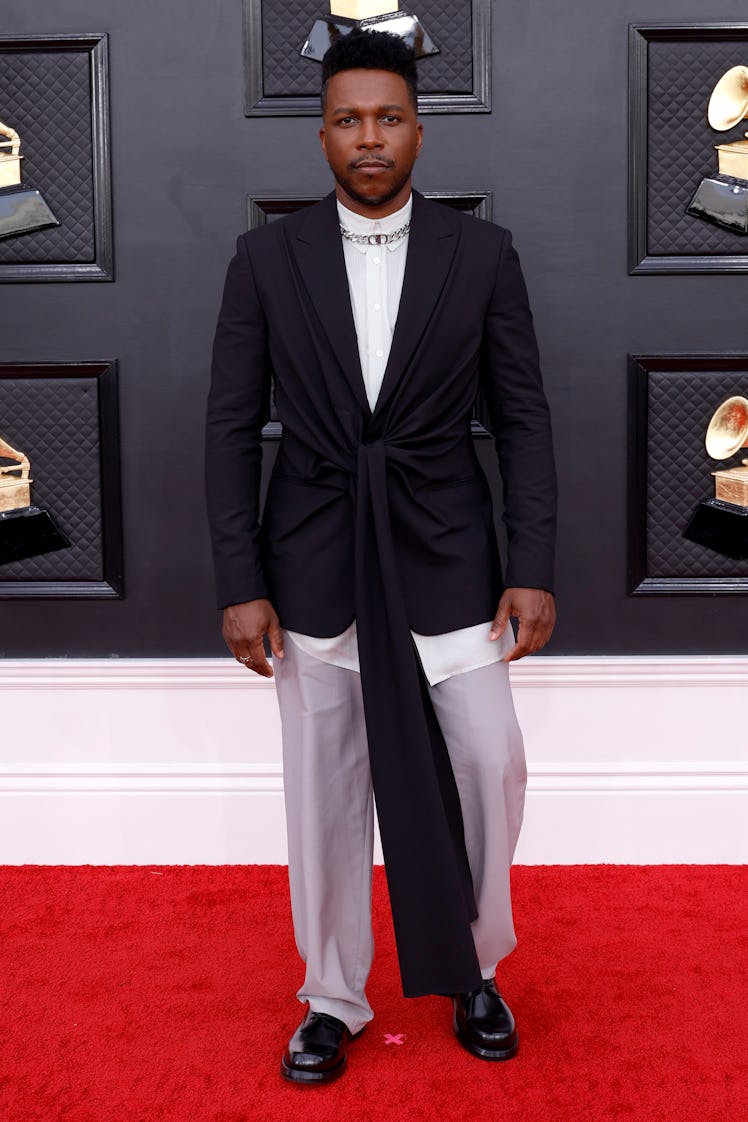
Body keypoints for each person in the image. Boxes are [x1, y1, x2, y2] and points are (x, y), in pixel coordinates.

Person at [205, 29, 557, 1084]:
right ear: (322, 134)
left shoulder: (481, 256)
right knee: (323, 789)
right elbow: (228, 427)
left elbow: (524, 419)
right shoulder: (264, 259)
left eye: (389, 117)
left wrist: (530, 561)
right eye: (349, 119)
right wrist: (240, 582)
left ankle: (477, 968)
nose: (370, 137)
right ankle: (332, 996)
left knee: (491, 763)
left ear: (418, 128)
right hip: (311, 558)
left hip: (447, 551)